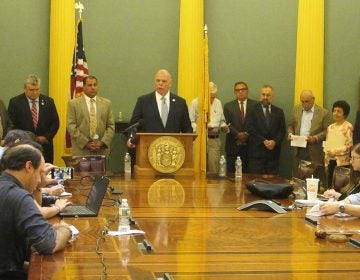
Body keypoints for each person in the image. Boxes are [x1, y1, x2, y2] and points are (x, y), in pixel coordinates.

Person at [0, 144, 72, 278]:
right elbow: (49, 244)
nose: (40, 180)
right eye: (40, 173)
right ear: (28, 167)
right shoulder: (19, 196)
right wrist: (65, 229)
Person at [127, 69, 192, 148]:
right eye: (158, 81)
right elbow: (133, 125)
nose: (160, 84)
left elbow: (187, 129)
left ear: (170, 83)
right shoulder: (143, 101)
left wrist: (186, 144)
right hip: (148, 148)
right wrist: (131, 138)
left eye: (164, 81)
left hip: (173, 150)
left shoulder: (180, 103)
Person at [7, 75, 59, 163]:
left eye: (37, 89)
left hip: (45, 147)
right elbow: (11, 124)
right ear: (25, 88)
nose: (35, 92)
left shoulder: (49, 102)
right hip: (23, 147)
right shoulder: (15, 102)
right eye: (31, 90)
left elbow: (55, 122)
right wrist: (23, 139)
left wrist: (46, 137)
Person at [67, 75, 115, 156]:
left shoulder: (106, 103)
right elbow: (71, 126)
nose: (93, 87)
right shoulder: (73, 104)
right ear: (84, 87)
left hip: (101, 150)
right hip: (81, 151)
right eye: (89, 85)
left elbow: (111, 126)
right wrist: (86, 143)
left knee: (100, 169)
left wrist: (102, 142)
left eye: (95, 85)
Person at [287, 90, 331, 176]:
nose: (304, 104)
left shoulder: (323, 113)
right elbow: (290, 126)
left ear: (313, 99)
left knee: (312, 179)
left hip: (314, 150)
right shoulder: (296, 109)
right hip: (298, 149)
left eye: (307, 101)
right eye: (302, 101)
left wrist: (316, 138)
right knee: (298, 177)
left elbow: (327, 131)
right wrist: (290, 134)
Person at [188, 81, 229, 174]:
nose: (212, 99)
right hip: (199, 140)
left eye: (214, 96)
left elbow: (222, 120)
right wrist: (203, 127)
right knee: (197, 169)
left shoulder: (218, 102)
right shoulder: (195, 103)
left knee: (214, 169)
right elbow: (190, 122)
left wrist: (224, 127)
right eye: (211, 97)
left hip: (214, 139)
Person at [246, 85, 286, 175]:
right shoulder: (252, 109)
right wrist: (263, 141)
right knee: (255, 182)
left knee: (272, 182)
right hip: (256, 154)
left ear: (272, 96)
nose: (265, 97)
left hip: (273, 155)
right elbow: (250, 128)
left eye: (268, 95)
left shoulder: (279, 111)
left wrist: (274, 142)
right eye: (263, 94)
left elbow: (282, 130)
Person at [223, 81, 257, 173]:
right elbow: (227, 123)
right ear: (235, 92)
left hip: (250, 146)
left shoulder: (255, 105)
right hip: (233, 146)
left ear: (247, 91)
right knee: (231, 175)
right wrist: (238, 134)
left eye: (243, 89)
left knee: (248, 176)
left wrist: (246, 134)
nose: (240, 92)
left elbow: (256, 123)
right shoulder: (228, 106)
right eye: (238, 90)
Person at [320, 143, 360, 216]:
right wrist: (338, 198)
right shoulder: (356, 177)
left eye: (354, 157)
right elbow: (356, 198)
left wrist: (340, 207)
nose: (351, 161)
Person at [324, 100, 353, 187]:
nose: (336, 113)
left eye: (339, 111)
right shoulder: (330, 127)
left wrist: (334, 151)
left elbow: (349, 146)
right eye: (334, 111)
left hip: (342, 163)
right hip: (330, 162)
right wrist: (326, 163)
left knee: (340, 189)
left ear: (345, 114)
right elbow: (327, 145)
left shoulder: (348, 126)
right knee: (330, 186)